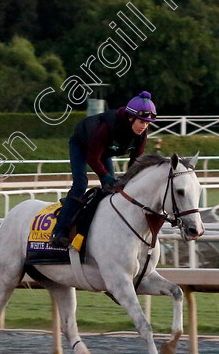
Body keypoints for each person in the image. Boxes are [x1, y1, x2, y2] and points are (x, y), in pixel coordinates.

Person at [49, 90, 158, 248]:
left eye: (147, 123)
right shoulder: (107, 127)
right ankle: (59, 232)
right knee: (80, 184)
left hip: (104, 149)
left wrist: (127, 182)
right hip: (82, 144)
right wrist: (106, 176)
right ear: (130, 117)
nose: (144, 126)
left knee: (110, 189)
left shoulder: (141, 134)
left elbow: (135, 163)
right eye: (141, 121)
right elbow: (93, 158)